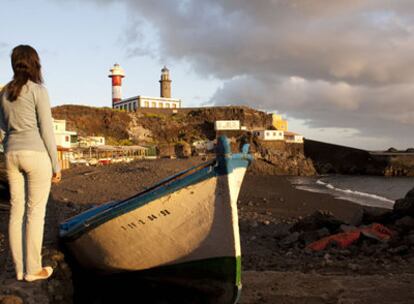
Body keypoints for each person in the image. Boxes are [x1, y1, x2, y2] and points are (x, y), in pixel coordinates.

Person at [0, 45, 61, 282]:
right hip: (35, 155)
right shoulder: (37, 90)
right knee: (35, 213)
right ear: (35, 63)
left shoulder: (4, 93)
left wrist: (10, 148)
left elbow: (2, 130)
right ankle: (33, 270)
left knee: (16, 212)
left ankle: (18, 269)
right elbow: (46, 129)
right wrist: (56, 166)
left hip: (11, 156)